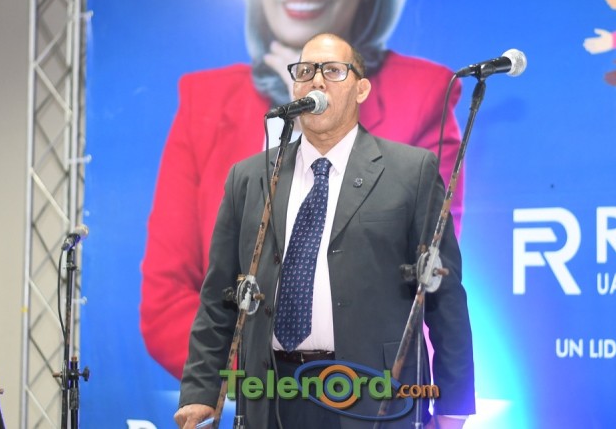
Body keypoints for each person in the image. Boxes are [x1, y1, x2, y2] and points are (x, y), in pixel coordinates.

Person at [141, 0, 465, 379]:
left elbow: (429, 279)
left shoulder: (426, 96)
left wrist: (326, 113)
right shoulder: (204, 101)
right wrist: (255, 371)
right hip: (262, 389)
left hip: (366, 386)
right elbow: (170, 300)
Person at [174, 33, 475, 429]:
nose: (316, 80)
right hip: (270, 392)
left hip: (373, 394)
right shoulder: (249, 178)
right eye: (305, 71)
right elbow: (219, 297)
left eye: (332, 71)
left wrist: (453, 406)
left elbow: (444, 295)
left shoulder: (410, 172)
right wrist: (200, 392)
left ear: (361, 89)